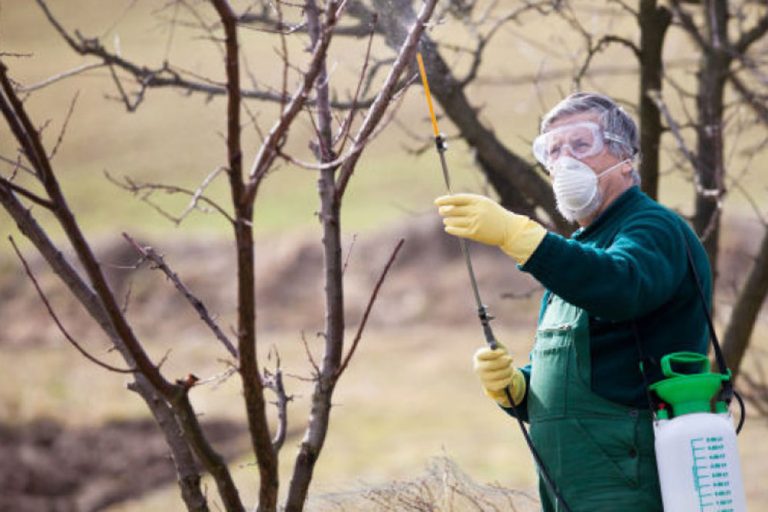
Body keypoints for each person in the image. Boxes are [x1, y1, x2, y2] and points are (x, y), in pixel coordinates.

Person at [434, 92, 712, 511]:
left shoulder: (652, 226)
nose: (565, 162)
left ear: (624, 158)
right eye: (552, 150)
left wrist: (518, 235)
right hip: (572, 481)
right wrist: (520, 389)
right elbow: (592, 365)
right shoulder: (581, 248)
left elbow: (621, 286)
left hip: (631, 475)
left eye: (581, 145)